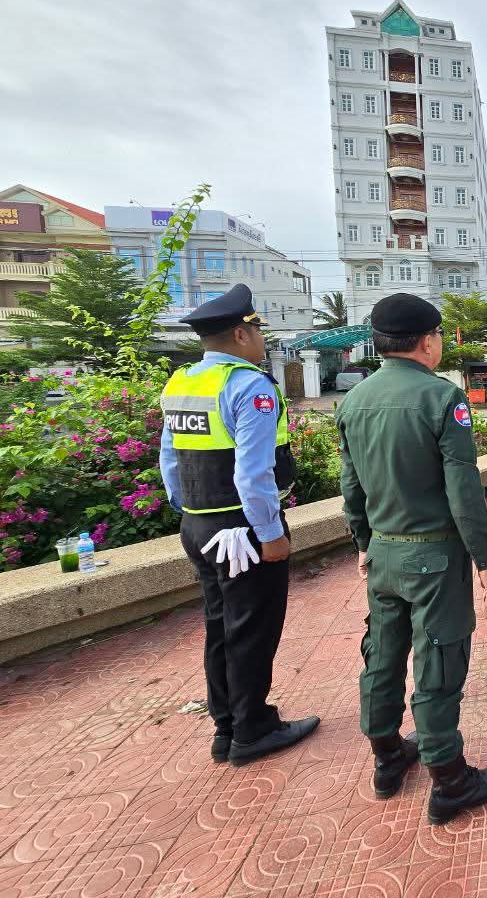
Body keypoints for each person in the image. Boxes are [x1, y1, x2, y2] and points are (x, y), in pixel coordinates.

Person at [337, 293, 487, 817]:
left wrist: (362, 542)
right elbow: (463, 489)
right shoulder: (442, 397)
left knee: (382, 656)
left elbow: (351, 485)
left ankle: (387, 757)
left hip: (383, 554)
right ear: (428, 341)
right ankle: (449, 779)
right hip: (434, 558)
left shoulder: (353, 400)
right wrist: (485, 558)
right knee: (438, 661)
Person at [159, 284, 319, 767]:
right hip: (241, 531)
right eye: (257, 331)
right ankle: (253, 730)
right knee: (252, 629)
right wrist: (270, 535)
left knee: (219, 626)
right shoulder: (249, 386)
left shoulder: (182, 382)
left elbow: (169, 459)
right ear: (240, 334)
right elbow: (253, 474)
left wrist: (189, 511)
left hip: (198, 524)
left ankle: (226, 727)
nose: (261, 340)